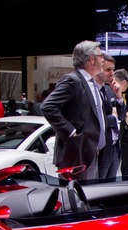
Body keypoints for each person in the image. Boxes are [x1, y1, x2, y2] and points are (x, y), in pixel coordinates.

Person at [40, 40, 105, 182]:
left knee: (88, 198)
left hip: (89, 151)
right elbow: (47, 107)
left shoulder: (90, 82)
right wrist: (69, 131)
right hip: (76, 153)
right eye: (100, 56)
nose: (103, 59)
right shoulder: (72, 80)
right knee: (76, 200)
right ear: (92, 59)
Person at [97, 55, 123, 182]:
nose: (112, 73)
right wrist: (112, 119)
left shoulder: (108, 89)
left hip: (114, 146)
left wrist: (119, 97)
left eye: (113, 70)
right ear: (98, 68)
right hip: (101, 148)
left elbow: (122, 116)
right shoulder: (92, 90)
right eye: (108, 70)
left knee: (111, 185)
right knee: (99, 184)